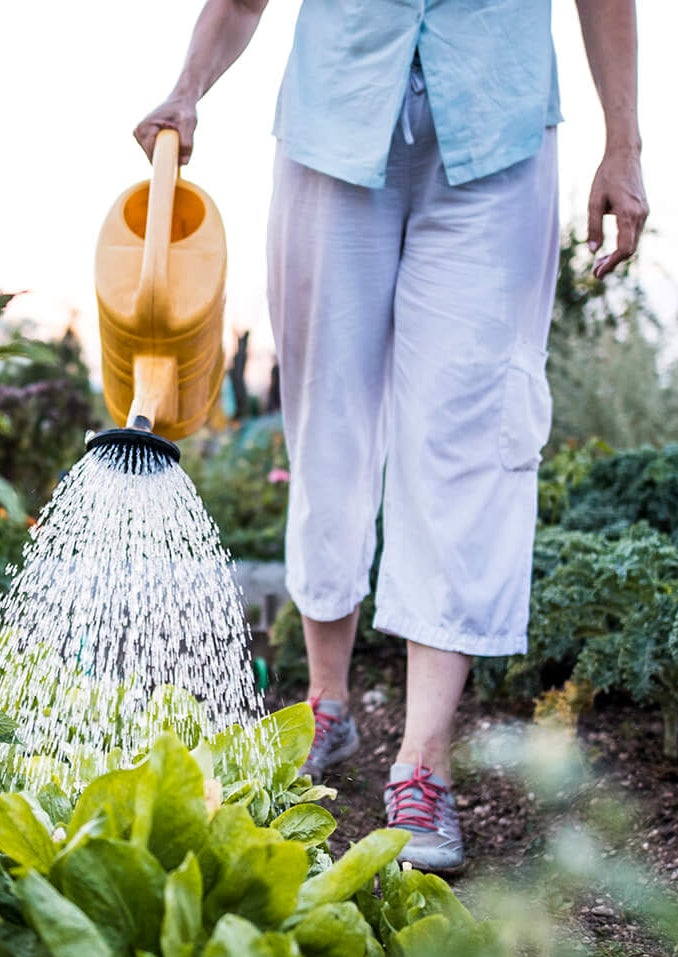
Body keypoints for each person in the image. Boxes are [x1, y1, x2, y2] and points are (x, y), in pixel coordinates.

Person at [135, 0, 644, 875]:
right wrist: (188, 87)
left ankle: (422, 762)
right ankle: (326, 703)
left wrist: (623, 144)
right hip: (335, 120)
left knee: (468, 436)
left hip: (497, 129)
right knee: (326, 422)